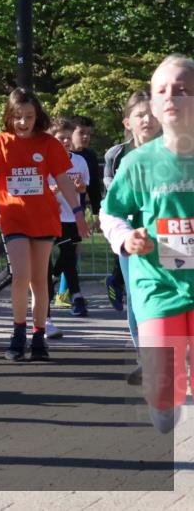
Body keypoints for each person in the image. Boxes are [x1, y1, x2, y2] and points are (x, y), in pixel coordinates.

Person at [100, 54, 194, 432]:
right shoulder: (138, 162)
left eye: (182, 89)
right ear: (154, 105)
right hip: (157, 284)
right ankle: (162, 394)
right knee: (162, 391)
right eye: (162, 90)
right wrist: (127, 238)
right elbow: (110, 213)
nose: (171, 96)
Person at [0, 88, 90, 362]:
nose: (23, 123)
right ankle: (18, 333)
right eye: (18, 117)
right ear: (9, 117)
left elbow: (63, 181)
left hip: (44, 218)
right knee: (20, 275)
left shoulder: (49, 144)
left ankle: (38, 337)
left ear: (37, 117)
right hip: (12, 218)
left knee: (40, 281)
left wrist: (78, 212)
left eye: (29, 117)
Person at [103, 89, 162, 385]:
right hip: (134, 240)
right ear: (128, 122)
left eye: (152, 113)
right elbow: (113, 201)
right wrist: (126, 235)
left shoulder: (178, 150)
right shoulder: (117, 156)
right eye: (140, 115)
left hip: (170, 238)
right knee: (138, 299)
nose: (147, 119)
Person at [47, 118, 90, 332]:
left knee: (69, 257)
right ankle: (65, 296)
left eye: (67, 137)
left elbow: (83, 190)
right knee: (55, 257)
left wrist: (80, 187)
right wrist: (52, 191)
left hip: (72, 217)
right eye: (60, 138)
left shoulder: (80, 162)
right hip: (50, 217)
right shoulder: (44, 161)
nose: (64, 141)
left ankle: (74, 295)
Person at [71, 115, 103, 219]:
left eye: (88, 134)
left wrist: (97, 212)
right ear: (70, 133)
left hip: (79, 210)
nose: (86, 137)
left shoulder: (90, 155)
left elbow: (94, 186)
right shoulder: (59, 154)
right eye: (81, 133)